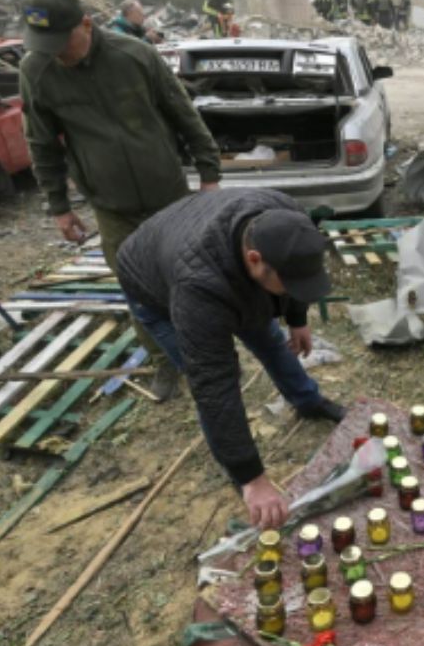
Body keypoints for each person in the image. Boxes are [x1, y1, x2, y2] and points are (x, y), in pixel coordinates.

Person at [18, 0, 222, 401]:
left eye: (62, 41)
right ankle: (164, 360)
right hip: (111, 206)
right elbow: (40, 144)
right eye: (45, 43)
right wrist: (59, 206)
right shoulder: (36, 70)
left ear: (86, 25)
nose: (55, 52)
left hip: (168, 195)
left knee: (189, 276)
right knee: (138, 288)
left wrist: (209, 173)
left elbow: (183, 113)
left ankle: (207, 352)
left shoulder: (136, 55)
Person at [115, 188, 346, 529]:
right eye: (289, 285)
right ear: (254, 259)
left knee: (269, 338)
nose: (295, 288)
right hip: (153, 287)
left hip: (200, 249)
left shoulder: (286, 218)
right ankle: (241, 478)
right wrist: (253, 476)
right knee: (217, 378)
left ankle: (308, 402)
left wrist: (297, 318)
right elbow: (213, 386)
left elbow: (296, 270)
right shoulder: (198, 290)